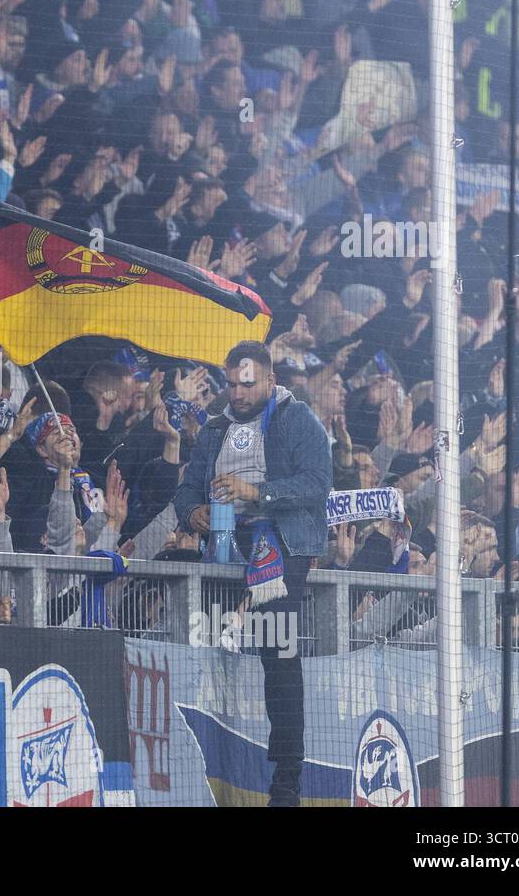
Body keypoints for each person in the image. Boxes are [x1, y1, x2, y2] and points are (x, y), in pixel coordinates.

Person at [172, 340, 331, 807]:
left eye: (248, 383)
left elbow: (316, 484)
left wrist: (256, 492)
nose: (238, 392)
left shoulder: (296, 419)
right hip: (221, 542)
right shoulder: (214, 428)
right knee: (179, 611)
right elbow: (184, 489)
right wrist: (193, 513)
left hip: (281, 541)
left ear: (269, 381)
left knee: (277, 645)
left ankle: (286, 775)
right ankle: (185, 754)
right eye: (231, 383)